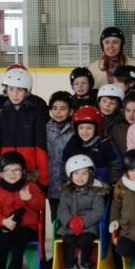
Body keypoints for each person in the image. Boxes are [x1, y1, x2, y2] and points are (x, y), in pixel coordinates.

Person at [0, 151, 46, 269]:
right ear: (1, 174)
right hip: (7, 227)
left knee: (20, 238)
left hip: (27, 228)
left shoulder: (30, 187)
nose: (12, 174)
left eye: (16, 170)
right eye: (8, 170)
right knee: (2, 244)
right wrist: (3, 221)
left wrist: (29, 199)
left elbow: (40, 205)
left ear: (23, 172)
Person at [0, 67, 49, 192]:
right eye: (11, 89)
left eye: (20, 90)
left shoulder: (35, 115)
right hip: (7, 173)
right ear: (6, 90)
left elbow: (41, 148)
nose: (15, 94)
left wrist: (42, 178)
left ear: (27, 92)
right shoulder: (0, 117)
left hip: (30, 174)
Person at [55, 154, 110, 269]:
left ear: (90, 174)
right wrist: (70, 221)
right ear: (70, 175)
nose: (80, 177)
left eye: (84, 173)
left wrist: (84, 222)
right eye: (76, 173)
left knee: (86, 240)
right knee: (68, 240)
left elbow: (99, 211)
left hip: (89, 226)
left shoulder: (96, 190)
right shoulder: (66, 191)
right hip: (70, 226)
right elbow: (62, 210)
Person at [63, 106, 121, 185]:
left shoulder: (105, 144)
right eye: (81, 128)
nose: (85, 132)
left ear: (96, 128)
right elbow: (65, 161)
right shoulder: (73, 142)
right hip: (79, 186)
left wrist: (113, 184)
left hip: (101, 186)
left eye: (89, 128)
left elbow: (116, 165)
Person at [45, 91, 75, 222]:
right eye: (54, 108)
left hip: (71, 183)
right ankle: (57, 242)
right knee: (56, 219)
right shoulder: (45, 128)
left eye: (63, 109)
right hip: (52, 183)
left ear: (71, 111)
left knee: (71, 218)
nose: (58, 112)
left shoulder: (75, 129)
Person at [96, 84, 129, 155]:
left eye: (112, 103)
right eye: (104, 101)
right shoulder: (95, 119)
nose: (107, 105)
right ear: (99, 103)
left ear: (118, 106)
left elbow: (122, 148)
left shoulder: (121, 125)